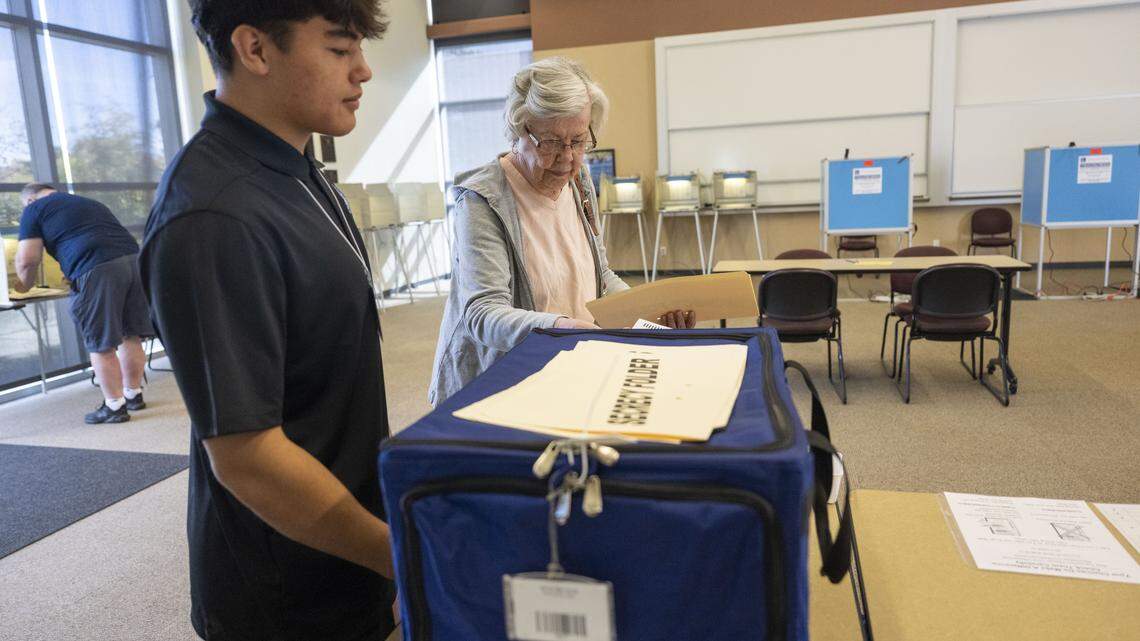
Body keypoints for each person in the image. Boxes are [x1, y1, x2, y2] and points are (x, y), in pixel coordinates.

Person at [139, 1, 396, 639]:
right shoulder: (215, 215)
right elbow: (249, 456)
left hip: (347, 550)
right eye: (340, 50)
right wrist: (406, 555)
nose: (363, 71)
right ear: (255, 50)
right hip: (284, 595)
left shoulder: (301, 172)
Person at [429, 57, 693, 405]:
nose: (567, 158)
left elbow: (600, 277)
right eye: (551, 142)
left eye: (579, 141)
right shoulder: (483, 200)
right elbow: (483, 313)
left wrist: (645, 309)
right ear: (518, 132)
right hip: (498, 384)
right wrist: (563, 327)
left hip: (569, 363)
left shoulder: (579, 181)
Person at [15, 184, 151, 423]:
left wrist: (22, 287)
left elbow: (27, 261)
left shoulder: (33, 209)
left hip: (97, 267)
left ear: (28, 200)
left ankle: (114, 407)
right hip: (134, 262)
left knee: (100, 342)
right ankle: (133, 395)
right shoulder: (86, 202)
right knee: (131, 335)